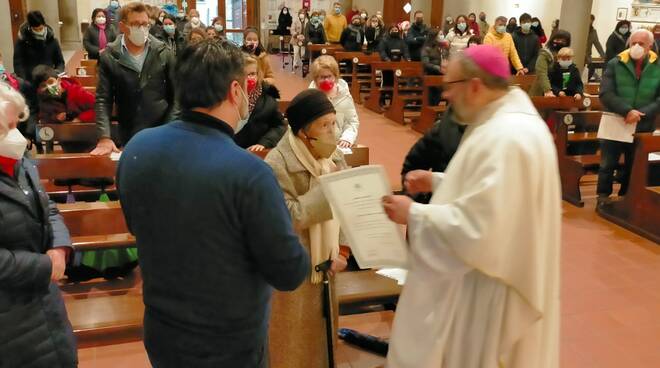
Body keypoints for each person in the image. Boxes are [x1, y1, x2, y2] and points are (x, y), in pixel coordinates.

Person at [117, 40, 308, 367]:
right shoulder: (249, 173)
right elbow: (288, 272)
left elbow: (137, 224)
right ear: (236, 91)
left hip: (163, 330)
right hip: (229, 343)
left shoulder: (138, 149)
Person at [382, 44, 561, 368]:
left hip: (491, 289)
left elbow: (479, 228)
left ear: (475, 86)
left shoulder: (506, 137)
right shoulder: (511, 121)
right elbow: (494, 195)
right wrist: (437, 180)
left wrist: (414, 213)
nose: (445, 96)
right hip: (500, 272)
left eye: (449, 86)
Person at [265, 88, 349, 368]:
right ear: (303, 131)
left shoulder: (333, 156)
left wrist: (344, 251)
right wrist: (329, 190)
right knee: (293, 345)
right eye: (324, 125)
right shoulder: (277, 163)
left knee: (323, 345)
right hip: (296, 269)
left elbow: (346, 206)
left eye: (334, 123)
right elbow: (284, 216)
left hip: (328, 260)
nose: (332, 132)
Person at [0, 81, 78, 368]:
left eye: (15, 125)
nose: (17, 136)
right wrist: (44, 266)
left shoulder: (18, 161)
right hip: (10, 322)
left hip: (45, 308)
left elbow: (48, 207)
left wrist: (59, 247)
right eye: (6, 128)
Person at [92, 1, 177, 155]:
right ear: (123, 26)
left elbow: (177, 96)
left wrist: (169, 128)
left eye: (145, 24)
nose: (142, 29)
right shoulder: (109, 56)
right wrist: (104, 136)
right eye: (136, 24)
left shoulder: (163, 52)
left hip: (162, 128)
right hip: (129, 131)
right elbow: (103, 99)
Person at [597, 29, 659, 203]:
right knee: (607, 164)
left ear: (650, 46)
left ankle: (627, 197)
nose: (637, 47)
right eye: (634, 43)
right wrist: (627, 110)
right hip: (617, 120)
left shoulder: (657, 65)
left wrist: (641, 113)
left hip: (642, 123)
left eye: (641, 44)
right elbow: (606, 93)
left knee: (634, 164)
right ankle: (603, 197)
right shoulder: (615, 63)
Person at [401, 108, 465, 204]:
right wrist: (416, 196)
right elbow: (412, 167)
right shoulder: (448, 123)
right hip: (438, 208)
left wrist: (435, 182)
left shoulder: (492, 133)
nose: (445, 95)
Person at [234, 55, 286, 151]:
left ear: (258, 74)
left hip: (255, 153)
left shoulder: (268, 98)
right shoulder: (230, 97)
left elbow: (279, 126)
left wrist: (264, 142)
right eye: (245, 74)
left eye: (253, 74)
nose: (249, 78)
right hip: (233, 151)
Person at [309, 56, 359, 148]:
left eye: (329, 76)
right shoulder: (310, 97)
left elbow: (352, 122)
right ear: (315, 79)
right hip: (317, 145)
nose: (326, 80)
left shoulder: (344, 95)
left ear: (335, 77)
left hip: (340, 144)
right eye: (322, 77)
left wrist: (347, 138)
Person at [13, 11, 65, 83]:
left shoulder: (52, 41)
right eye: (36, 30)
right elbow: (18, 64)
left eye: (41, 28)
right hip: (30, 81)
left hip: (50, 80)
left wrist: (58, 72)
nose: (39, 31)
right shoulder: (22, 42)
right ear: (30, 28)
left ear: (44, 25)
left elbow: (60, 62)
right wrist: (24, 80)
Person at [530, 30, 571, 96]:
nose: (560, 42)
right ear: (552, 39)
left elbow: (570, 74)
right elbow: (541, 72)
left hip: (560, 92)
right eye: (557, 39)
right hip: (543, 91)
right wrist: (547, 90)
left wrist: (577, 91)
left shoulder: (566, 54)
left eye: (563, 41)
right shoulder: (545, 53)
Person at [586, 14, 606, 81]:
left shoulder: (593, 32)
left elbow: (597, 44)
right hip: (578, 55)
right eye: (589, 20)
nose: (590, 22)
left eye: (591, 20)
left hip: (587, 57)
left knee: (591, 70)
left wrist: (604, 56)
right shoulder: (579, 30)